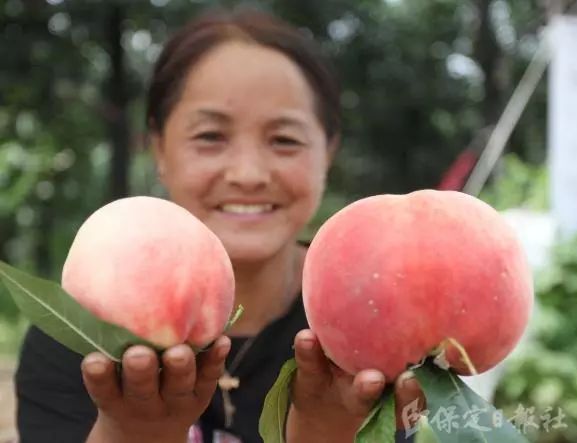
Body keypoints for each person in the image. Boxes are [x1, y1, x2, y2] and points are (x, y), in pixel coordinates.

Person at [15, 7, 423, 443]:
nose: (248, 173)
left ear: (328, 151)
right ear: (159, 148)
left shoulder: (365, 326)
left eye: (285, 139)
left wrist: (326, 433)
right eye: (210, 136)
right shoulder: (78, 332)